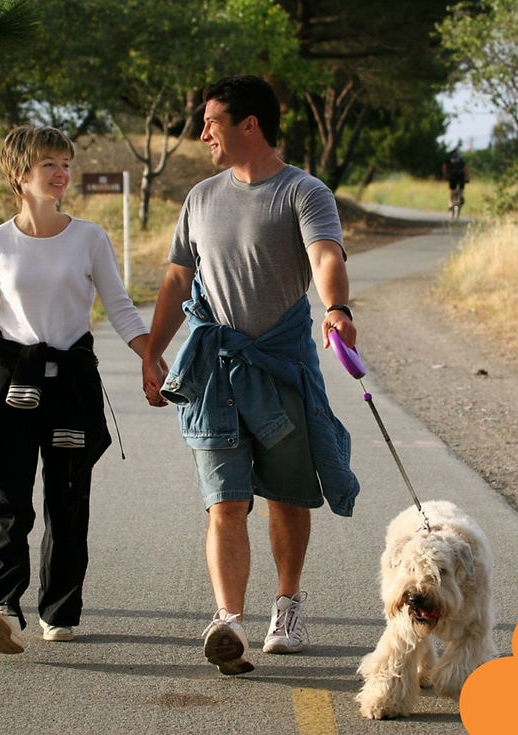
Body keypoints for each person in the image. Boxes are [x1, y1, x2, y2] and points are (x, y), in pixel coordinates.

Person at [140, 75, 360, 675]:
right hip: (214, 371)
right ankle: (230, 621)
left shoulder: (303, 192)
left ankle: (286, 605)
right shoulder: (201, 198)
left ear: (250, 125)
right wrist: (152, 352)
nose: (202, 131)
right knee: (225, 500)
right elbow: (177, 280)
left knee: (288, 496)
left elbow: (325, 256)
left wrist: (337, 308)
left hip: (282, 365)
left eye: (212, 120)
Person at [0, 125, 163, 655]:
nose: (61, 173)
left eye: (65, 163)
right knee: (8, 498)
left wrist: (151, 358)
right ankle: (0, 606)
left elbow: (118, 306)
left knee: (68, 499)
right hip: (12, 380)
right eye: (49, 164)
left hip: (71, 381)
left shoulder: (89, 237)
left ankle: (59, 611)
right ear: (20, 174)